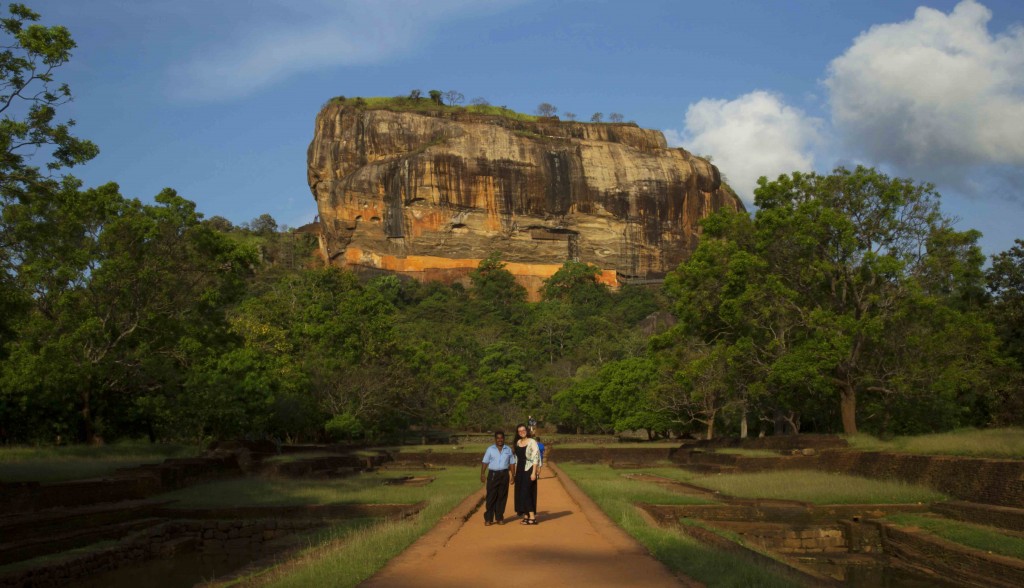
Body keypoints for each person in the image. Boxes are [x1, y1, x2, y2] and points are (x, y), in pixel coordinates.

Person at [480, 430, 514, 526]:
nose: (500, 440)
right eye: (498, 438)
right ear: (495, 439)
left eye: (501, 438)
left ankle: (499, 517)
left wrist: (513, 476)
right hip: (493, 475)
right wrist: (482, 474)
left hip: (504, 475)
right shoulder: (490, 449)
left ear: (504, 439)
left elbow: (512, 463)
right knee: (491, 496)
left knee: (502, 496)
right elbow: (485, 462)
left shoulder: (508, 450)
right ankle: (488, 518)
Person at [513, 423, 542, 525]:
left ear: (527, 430)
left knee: (527, 492)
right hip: (520, 470)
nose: (522, 432)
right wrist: (515, 473)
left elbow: (536, 457)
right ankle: (526, 516)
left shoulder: (532, 442)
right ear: (517, 432)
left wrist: (534, 472)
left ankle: (533, 517)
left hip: (529, 469)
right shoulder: (518, 442)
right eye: (519, 431)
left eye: (523, 430)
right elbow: (516, 459)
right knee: (521, 492)